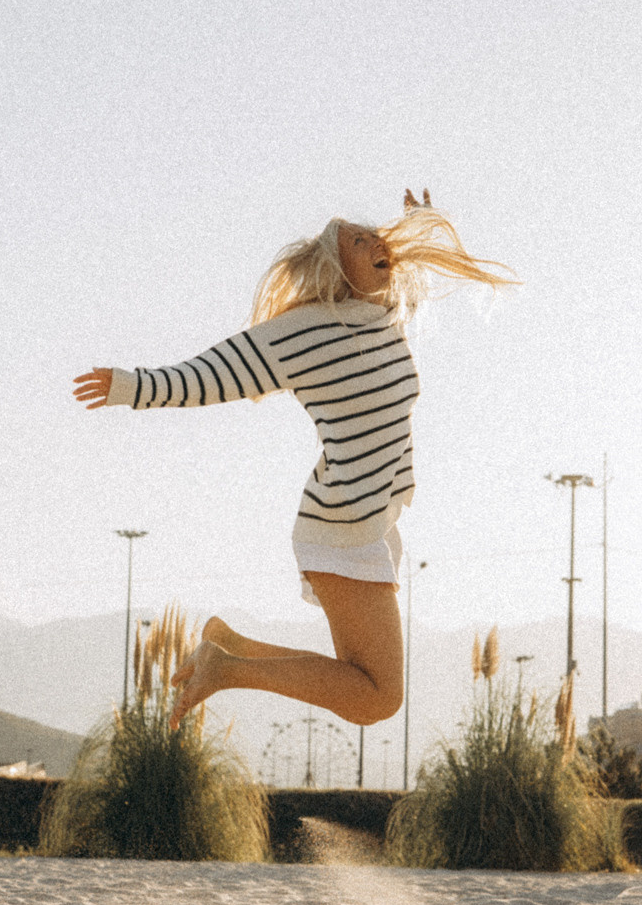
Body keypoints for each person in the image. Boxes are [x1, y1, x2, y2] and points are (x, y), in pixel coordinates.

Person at [73, 191, 514, 728]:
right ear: (336, 265)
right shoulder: (299, 332)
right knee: (377, 698)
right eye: (359, 240)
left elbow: (412, 279)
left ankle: (229, 649)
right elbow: (211, 376)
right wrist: (129, 386)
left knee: (364, 682)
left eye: (377, 236)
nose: (377, 242)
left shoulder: (385, 317)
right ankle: (226, 668)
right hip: (340, 526)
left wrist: (420, 221)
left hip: (369, 523)